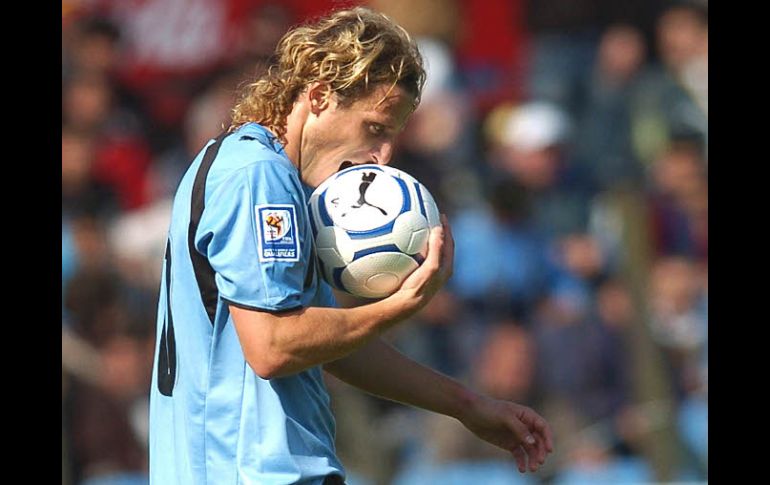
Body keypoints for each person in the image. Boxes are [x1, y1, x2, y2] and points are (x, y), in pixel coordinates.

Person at [148, 7, 553, 484]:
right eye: (375, 129)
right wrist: (400, 307)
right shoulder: (259, 177)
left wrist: (467, 405)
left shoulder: (261, 172)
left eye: (393, 137)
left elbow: (330, 345)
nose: (382, 157)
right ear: (319, 96)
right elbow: (273, 346)